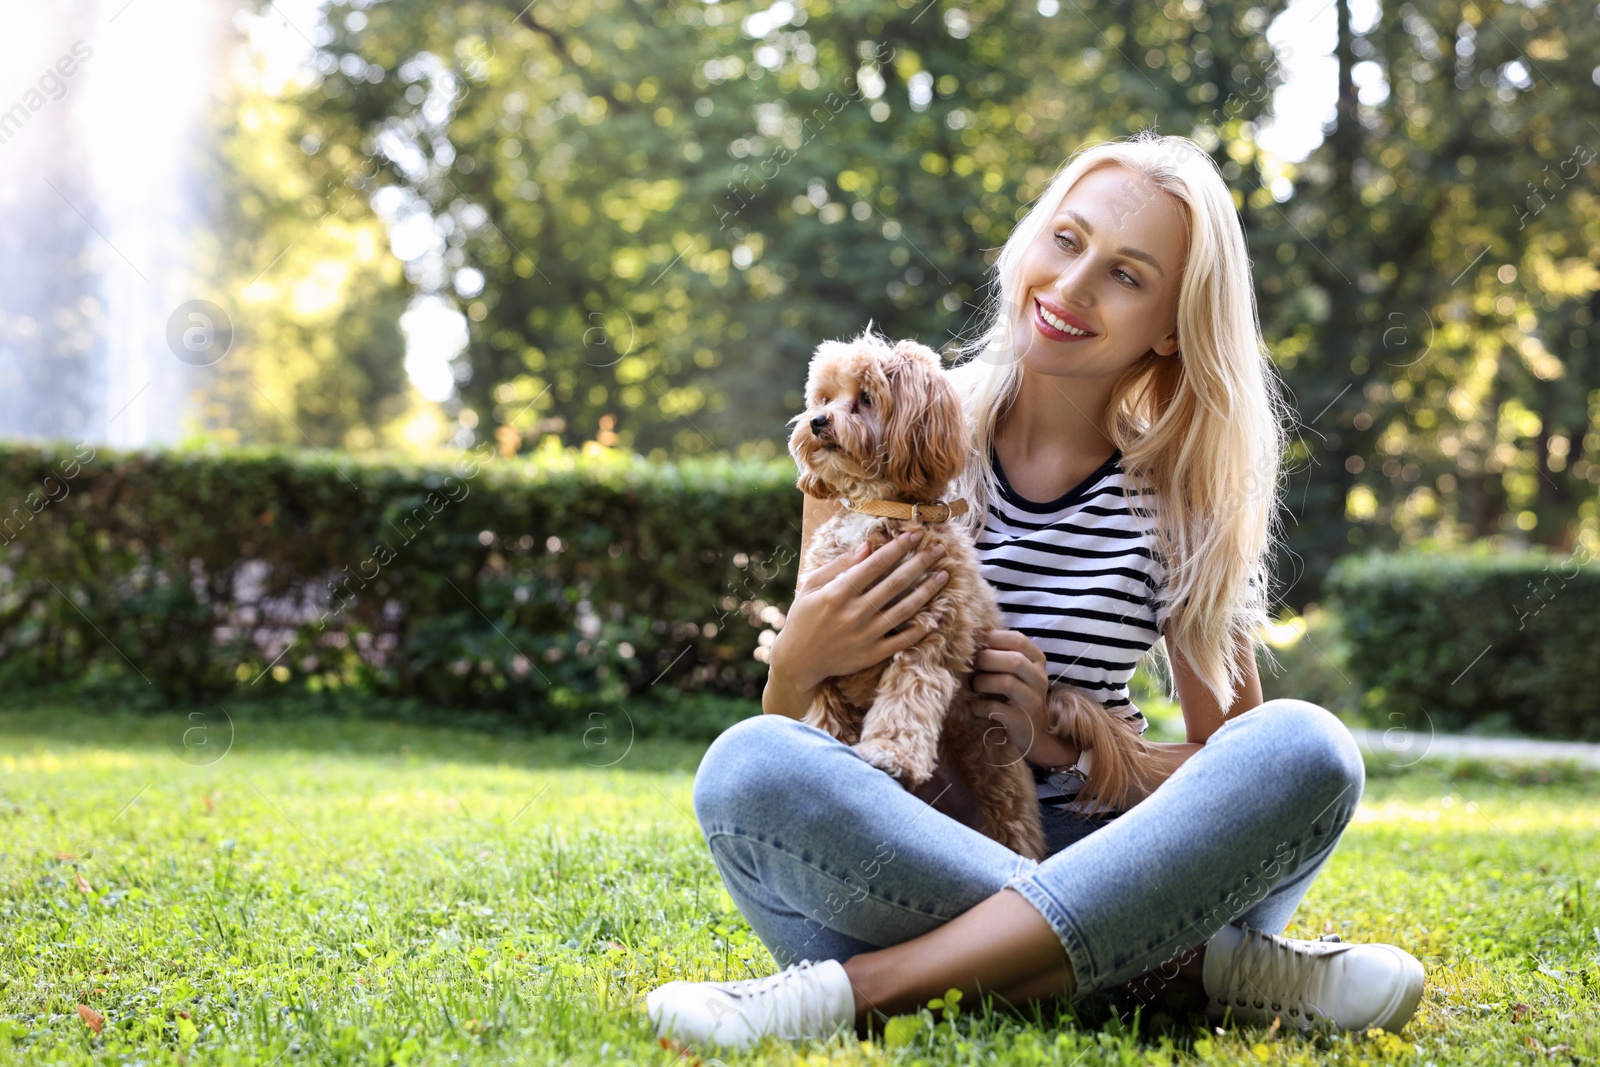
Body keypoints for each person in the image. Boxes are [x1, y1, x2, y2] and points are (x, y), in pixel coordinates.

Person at [645, 132, 1425, 1049]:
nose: (1072, 286)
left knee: (1306, 746)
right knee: (748, 764)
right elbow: (800, 719)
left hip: (1105, 847)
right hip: (904, 838)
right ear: (1027, 243)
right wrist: (801, 658)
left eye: (1127, 275)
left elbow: (1230, 766)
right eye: (1066, 239)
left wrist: (1061, 736)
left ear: (1172, 326)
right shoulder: (884, 431)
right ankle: (1192, 970)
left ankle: (859, 988)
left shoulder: (1179, 499)